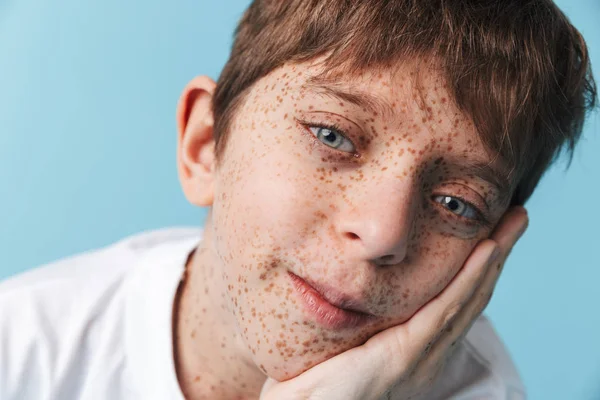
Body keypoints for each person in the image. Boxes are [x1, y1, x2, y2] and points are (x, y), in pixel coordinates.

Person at [0, 0, 596, 399]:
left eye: (455, 202)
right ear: (205, 146)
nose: (384, 233)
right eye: (331, 135)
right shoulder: (21, 350)